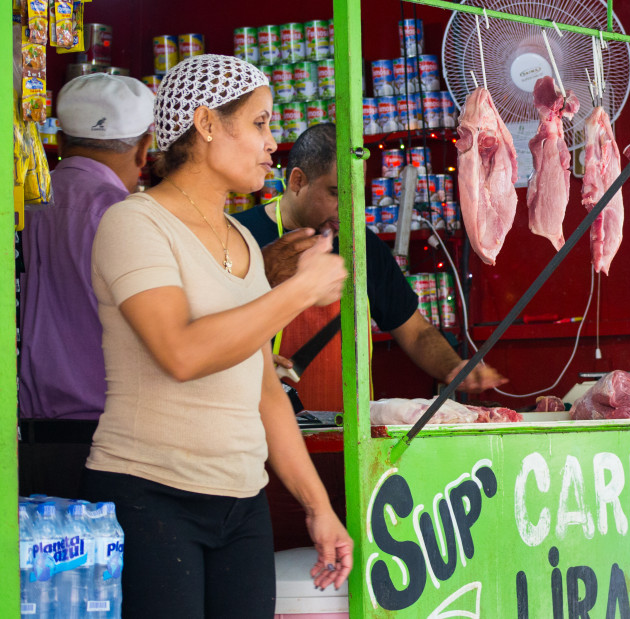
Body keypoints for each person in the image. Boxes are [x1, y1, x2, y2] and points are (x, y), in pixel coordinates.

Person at [82, 55, 352, 618]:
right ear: (206, 124)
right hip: (151, 494)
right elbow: (181, 353)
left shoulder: (243, 241)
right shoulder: (134, 223)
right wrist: (299, 291)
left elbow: (264, 389)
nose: (272, 143)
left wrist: (317, 505)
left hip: (242, 501)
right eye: (259, 123)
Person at [233, 123, 505, 408]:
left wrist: (454, 367)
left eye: (356, 195)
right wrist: (241, 360)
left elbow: (415, 331)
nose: (348, 208)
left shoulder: (363, 247)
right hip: (257, 421)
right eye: (336, 193)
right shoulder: (238, 235)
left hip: (347, 427)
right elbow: (208, 334)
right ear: (298, 181)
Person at [19, 73, 154, 420]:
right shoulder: (129, 215)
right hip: (109, 423)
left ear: (60, 141)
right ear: (144, 149)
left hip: (19, 424)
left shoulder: (20, 203)